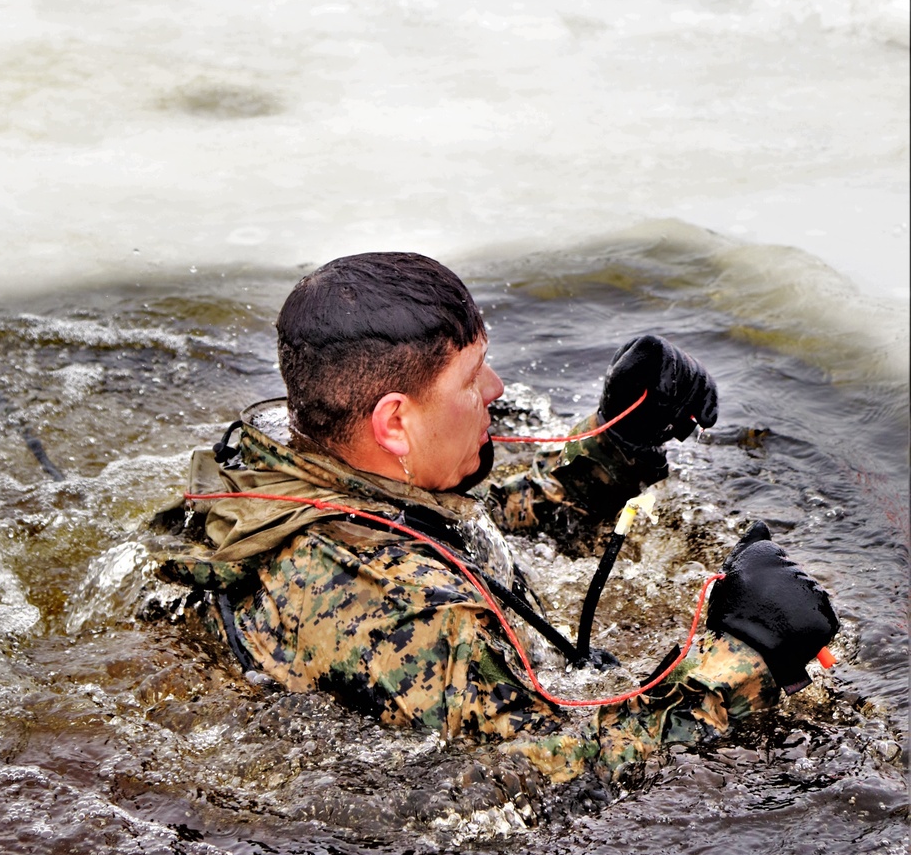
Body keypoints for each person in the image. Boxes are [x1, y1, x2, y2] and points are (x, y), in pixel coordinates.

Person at [167, 252, 837, 788]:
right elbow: (558, 772)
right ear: (394, 422)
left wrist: (613, 450)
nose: (497, 390)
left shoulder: (278, 467)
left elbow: (463, 527)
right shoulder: (417, 608)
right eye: (473, 376)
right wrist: (748, 654)